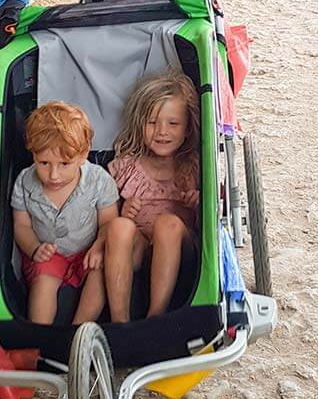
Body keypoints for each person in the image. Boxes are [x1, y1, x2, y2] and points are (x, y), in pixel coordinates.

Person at [103, 68, 200, 322]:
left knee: (167, 223)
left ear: (188, 128)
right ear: (140, 123)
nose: (162, 131)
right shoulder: (127, 167)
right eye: (152, 122)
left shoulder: (193, 168)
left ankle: (155, 316)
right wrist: (125, 212)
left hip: (182, 248)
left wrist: (198, 203)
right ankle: (120, 322)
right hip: (141, 250)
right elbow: (107, 213)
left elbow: (210, 221)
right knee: (118, 225)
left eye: (173, 123)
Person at [11, 101, 119, 324]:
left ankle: (78, 330)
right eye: (44, 163)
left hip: (89, 251)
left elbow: (109, 223)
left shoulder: (98, 180)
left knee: (100, 272)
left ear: (83, 155)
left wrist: (99, 248)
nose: (53, 175)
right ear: (32, 153)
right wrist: (34, 248)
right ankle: (40, 337)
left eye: (64, 164)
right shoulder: (25, 181)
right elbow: (21, 226)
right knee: (44, 280)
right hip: (48, 253)